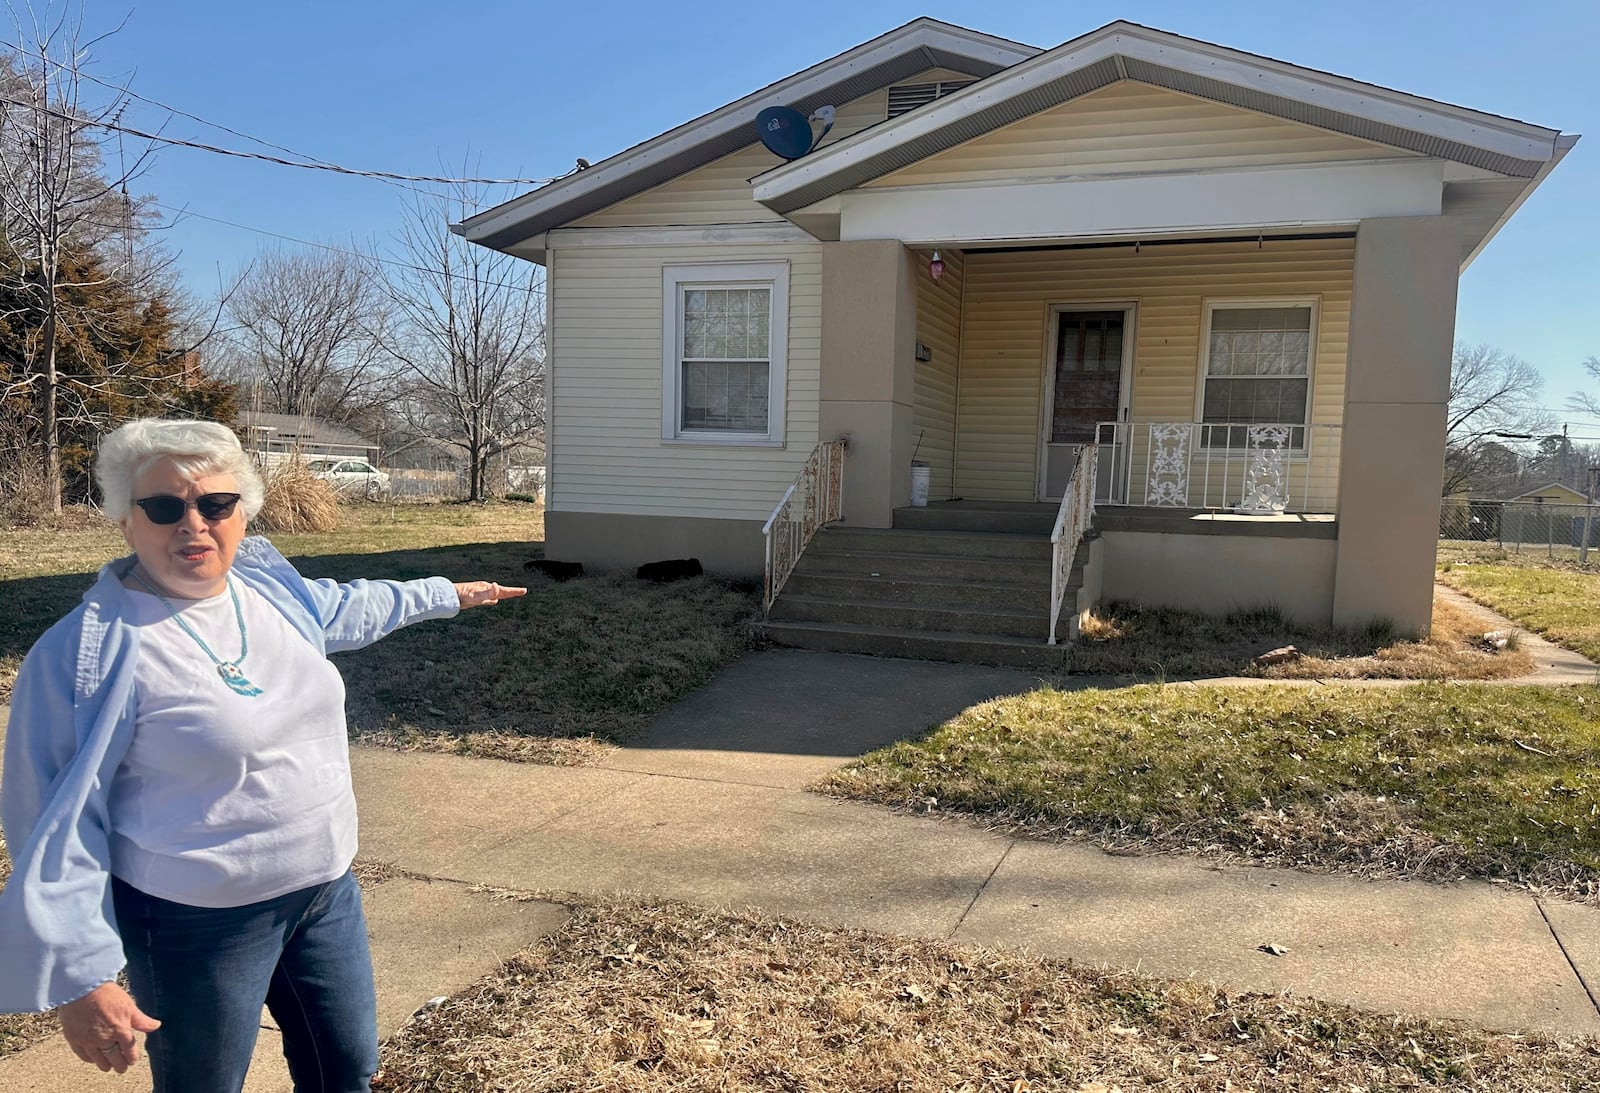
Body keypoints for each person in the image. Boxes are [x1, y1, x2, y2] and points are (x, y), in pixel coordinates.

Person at [0, 418, 526, 1091]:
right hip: (197, 923)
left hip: (323, 893)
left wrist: (449, 593)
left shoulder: (270, 594)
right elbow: (52, 817)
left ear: (241, 514)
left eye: (215, 504)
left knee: (346, 1074)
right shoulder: (88, 651)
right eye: (164, 507)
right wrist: (79, 974)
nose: (193, 524)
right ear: (126, 521)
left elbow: (352, 605)